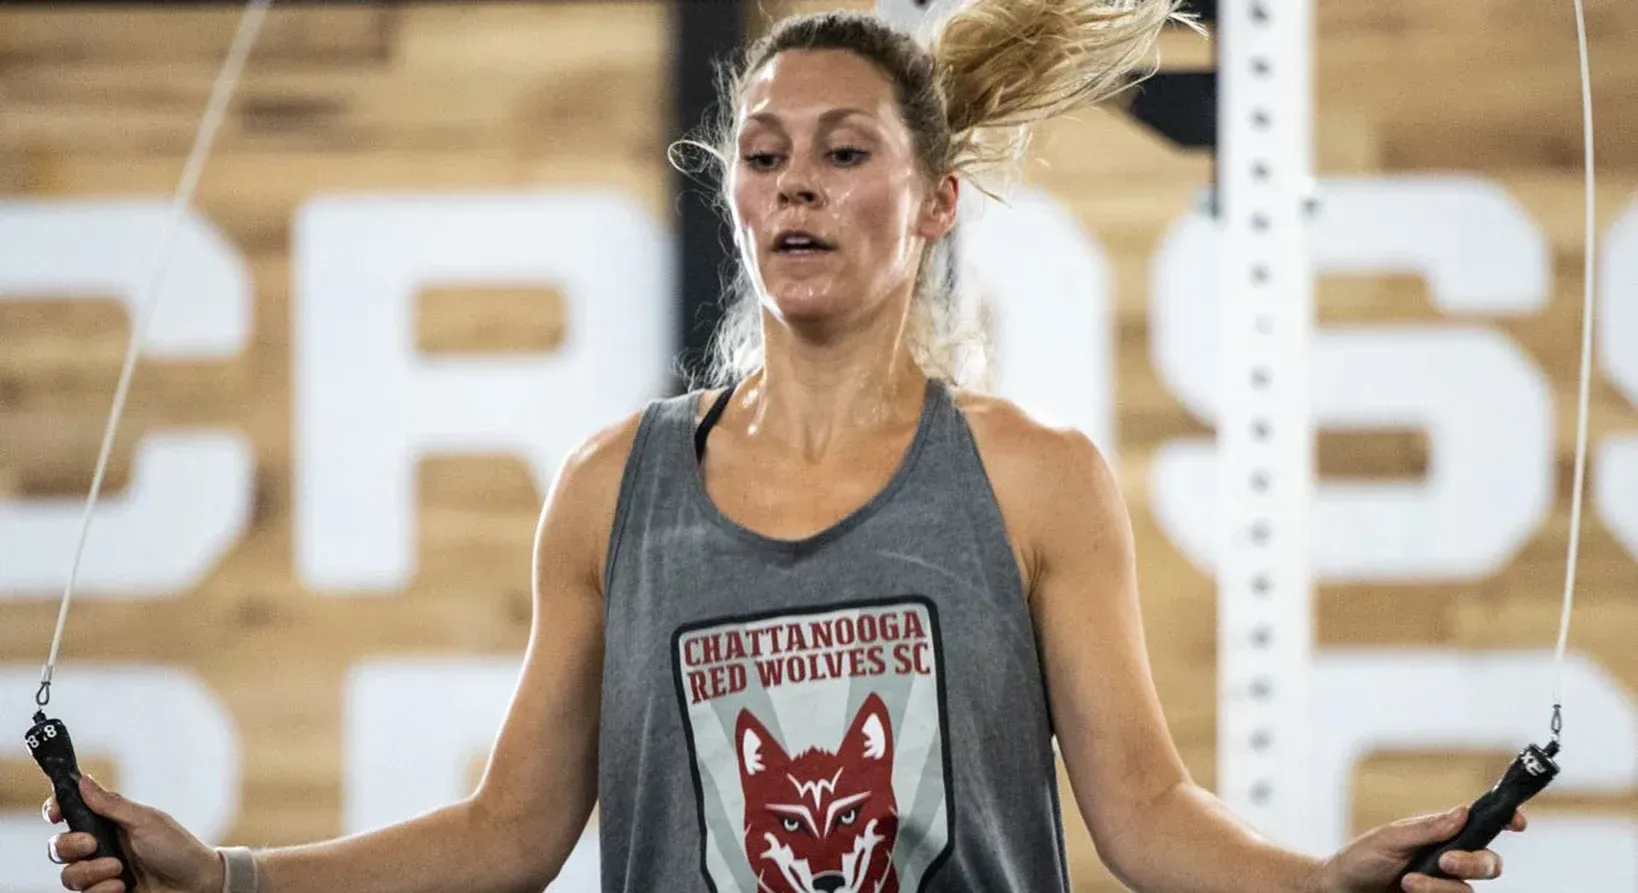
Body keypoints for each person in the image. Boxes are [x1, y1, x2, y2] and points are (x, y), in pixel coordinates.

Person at [43, 2, 1527, 892]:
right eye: (763, 156)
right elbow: (509, 834)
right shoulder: (611, 489)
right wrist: (225, 877)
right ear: (735, 197)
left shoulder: (1034, 479)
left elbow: (1142, 815)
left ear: (934, 203)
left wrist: (1318, 883)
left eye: (843, 152)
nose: (795, 185)